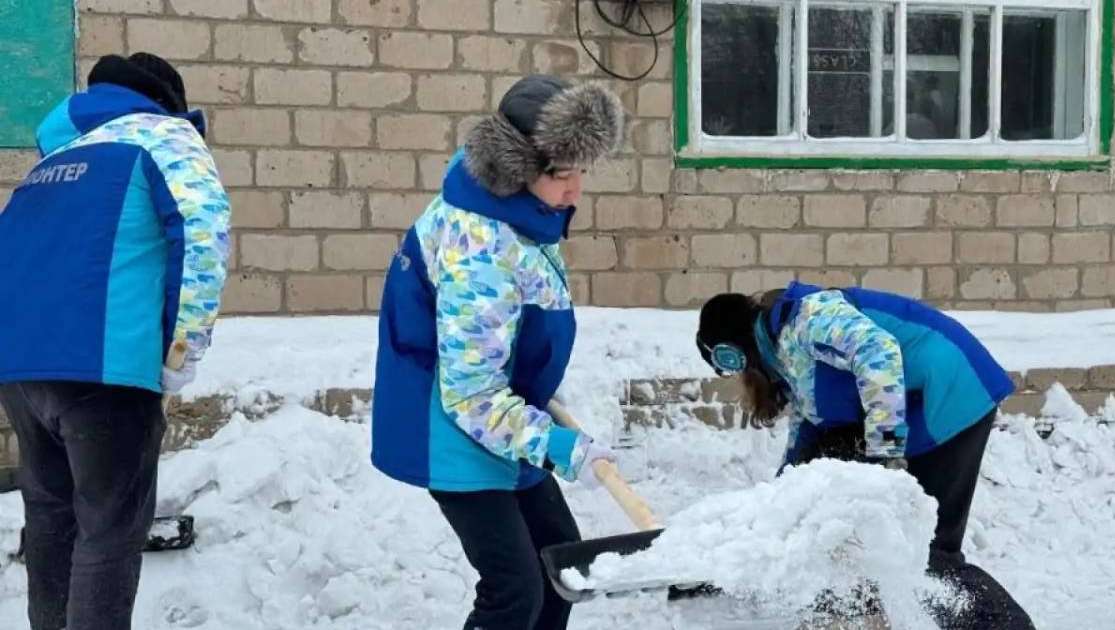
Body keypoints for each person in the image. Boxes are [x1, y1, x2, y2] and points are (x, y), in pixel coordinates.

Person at [371, 75, 624, 630]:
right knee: (514, 591)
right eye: (563, 174)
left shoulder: (519, 217)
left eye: (583, 171)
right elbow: (471, 394)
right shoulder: (480, 246)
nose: (577, 189)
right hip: (455, 432)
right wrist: (558, 445)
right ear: (518, 168)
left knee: (563, 569)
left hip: (503, 426)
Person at [0, 52, 230, 630]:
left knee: (52, 524)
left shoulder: (54, 162)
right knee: (108, 532)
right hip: (104, 375)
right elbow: (202, 238)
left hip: (22, 373)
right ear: (169, 101)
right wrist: (180, 356)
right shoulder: (165, 138)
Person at [694, 281, 1035, 629]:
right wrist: (777, 506)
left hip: (951, 392)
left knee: (925, 552)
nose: (738, 373)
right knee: (859, 526)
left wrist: (886, 449)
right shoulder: (786, 356)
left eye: (729, 361)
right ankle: (863, 616)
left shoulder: (808, 318)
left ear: (733, 344)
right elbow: (807, 426)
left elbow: (878, 350)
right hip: (921, 407)